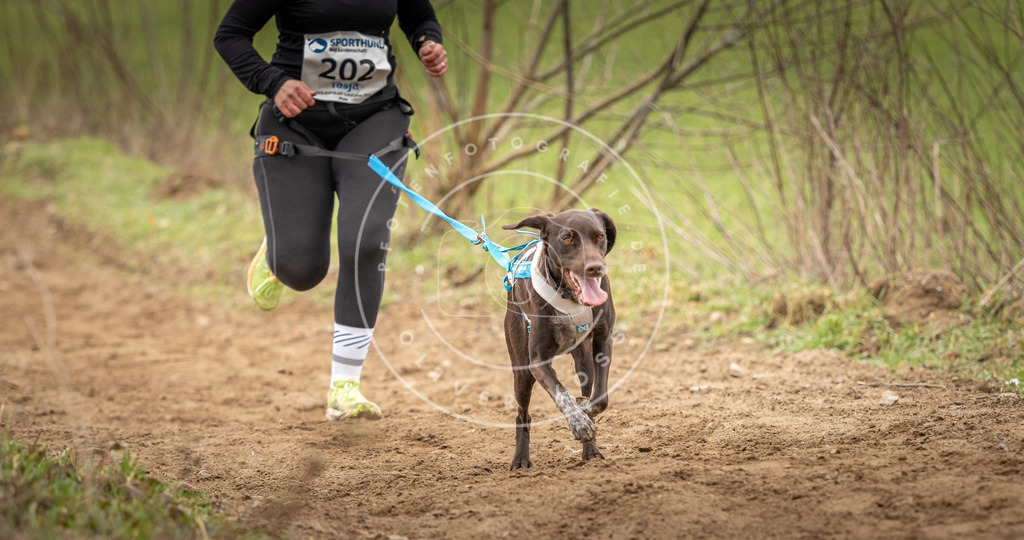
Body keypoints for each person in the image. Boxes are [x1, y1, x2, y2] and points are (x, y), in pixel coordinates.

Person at [214, 1, 448, 421]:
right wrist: (273, 82)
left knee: (367, 240)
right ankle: (279, 250)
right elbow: (230, 35)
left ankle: (345, 387)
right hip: (294, 121)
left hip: (375, 118)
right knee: (301, 271)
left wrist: (428, 42)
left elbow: (419, 17)